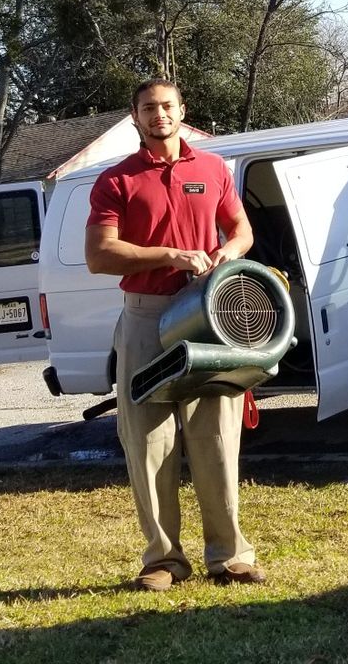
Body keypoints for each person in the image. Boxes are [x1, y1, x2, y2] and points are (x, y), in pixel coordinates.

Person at [85, 78, 263, 591]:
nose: (159, 114)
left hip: (210, 313)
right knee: (148, 440)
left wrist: (231, 252)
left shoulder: (212, 169)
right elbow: (100, 255)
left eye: (167, 105)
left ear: (182, 110)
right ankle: (164, 560)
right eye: (148, 108)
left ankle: (230, 556)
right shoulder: (116, 181)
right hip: (146, 318)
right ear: (136, 117)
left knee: (216, 434)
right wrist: (170, 255)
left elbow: (242, 230)